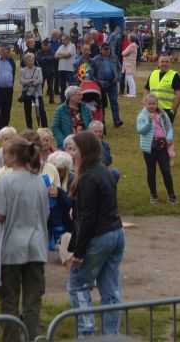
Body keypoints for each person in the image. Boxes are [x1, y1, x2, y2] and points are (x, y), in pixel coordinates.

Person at [0, 137, 49, 342]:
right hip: (36, 247)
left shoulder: (6, 181)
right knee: (33, 302)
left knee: (9, 301)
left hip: (12, 248)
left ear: (13, 156)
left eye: (5, 152)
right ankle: (32, 338)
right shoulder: (39, 181)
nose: (3, 156)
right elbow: (45, 212)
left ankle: (12, 339)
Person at [66, 131, 125, 337]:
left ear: (85, 150)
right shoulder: (102, 171)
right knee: (110, 289)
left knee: (77, 285)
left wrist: (79, 252)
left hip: (100, 237)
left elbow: (89, 217)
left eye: (73, 149)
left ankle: (87, 332)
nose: (70, 153)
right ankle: (111, 335)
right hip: (116, 233)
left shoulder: (89, 177)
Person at [135, 93, 176, 204]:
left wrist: (168, 137)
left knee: (166, 170)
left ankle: (172, 195)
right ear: (145, 104)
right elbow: (140, 131)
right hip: (149, 147)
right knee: (151, 171)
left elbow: (169, 127)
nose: (152, 106)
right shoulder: (142, 116)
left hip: (162, 146)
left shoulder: (162, 114)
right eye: (149, 103)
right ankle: (153, 195)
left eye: (154, 103)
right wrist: (149, 122)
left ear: (157, 104)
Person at [144, 54, 180, 124]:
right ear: (158, 63)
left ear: (170, 63)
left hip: (167, 110)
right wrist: (145, 105)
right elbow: (147, 90)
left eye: (167, 62)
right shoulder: (153, 73)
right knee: (151, 131)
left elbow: (179, 94)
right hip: (152, 108)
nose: (164, 63)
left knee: (164, 133)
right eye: (162, 61)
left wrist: (173, 110)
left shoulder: (175, 75)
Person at [91, 43, 123, 128]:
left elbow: (120, 68)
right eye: (105, 49)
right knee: (102, 104)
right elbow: (92, 74)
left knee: (114, 102)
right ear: (101, 50)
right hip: (101, 84)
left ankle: (117, 120)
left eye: (108, 49)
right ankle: (102, 120)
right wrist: (98, 81)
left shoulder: (114, 57)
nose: (107, 51)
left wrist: (118, 77)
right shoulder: (96, 59)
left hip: (113, 83)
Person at [18, 52, 47, 130]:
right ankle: (29, 128)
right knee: (28, 112)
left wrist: (32, 83)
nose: (31, 62)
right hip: (27, 93)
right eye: (29, 60)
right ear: (25, 61)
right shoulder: (23, 70)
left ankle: (45, 128)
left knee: (42, 111)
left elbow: (40, 80)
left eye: (32, 60)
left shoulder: (38, 69)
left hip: (37, 93)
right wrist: (30, 80)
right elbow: (21, 81)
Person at [121, 34, 138, 98]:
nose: (127, 39)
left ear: (130, 39)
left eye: (128, 38)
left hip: (129, 64)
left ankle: (133, 93)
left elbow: (123, 53)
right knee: (128, 78)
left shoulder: (132, 45)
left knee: (130, 78)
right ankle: (131, 92)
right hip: (129, 64)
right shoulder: (133, 45)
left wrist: (123, 52)